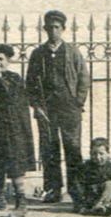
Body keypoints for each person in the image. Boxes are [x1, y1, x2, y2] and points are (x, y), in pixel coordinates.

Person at [24, 10, 90, 205]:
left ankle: (77, 190)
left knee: (73, 148)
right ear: (44, 29)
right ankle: (53, 189)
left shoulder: (73, 52)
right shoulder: (38, 54)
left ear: (63, 29)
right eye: (50, 27)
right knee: (49, 150)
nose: (53, 31)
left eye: (57, 27)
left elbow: (84, 78)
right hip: (47, 109)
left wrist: (78, 101)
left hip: (69, 108)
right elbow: (30, 83)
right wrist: (36, 106)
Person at [0, 43, 36, 217]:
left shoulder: (14, 78)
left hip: (13, 130)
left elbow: (12, 98)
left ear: (8, 60)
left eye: (1, 59)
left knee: (15, 166)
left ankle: (21, 204)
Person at [73, 137, 111, 217]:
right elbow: (78, 186)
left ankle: (102, 207)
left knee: (110, 184)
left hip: (107, 198)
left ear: (108, 153)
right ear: (90, 153)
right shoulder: (85, 167)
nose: (98, 157)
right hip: (91, 197)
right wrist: (82, 201)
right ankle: (98, 209)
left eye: (101, 154)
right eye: (94, 154)